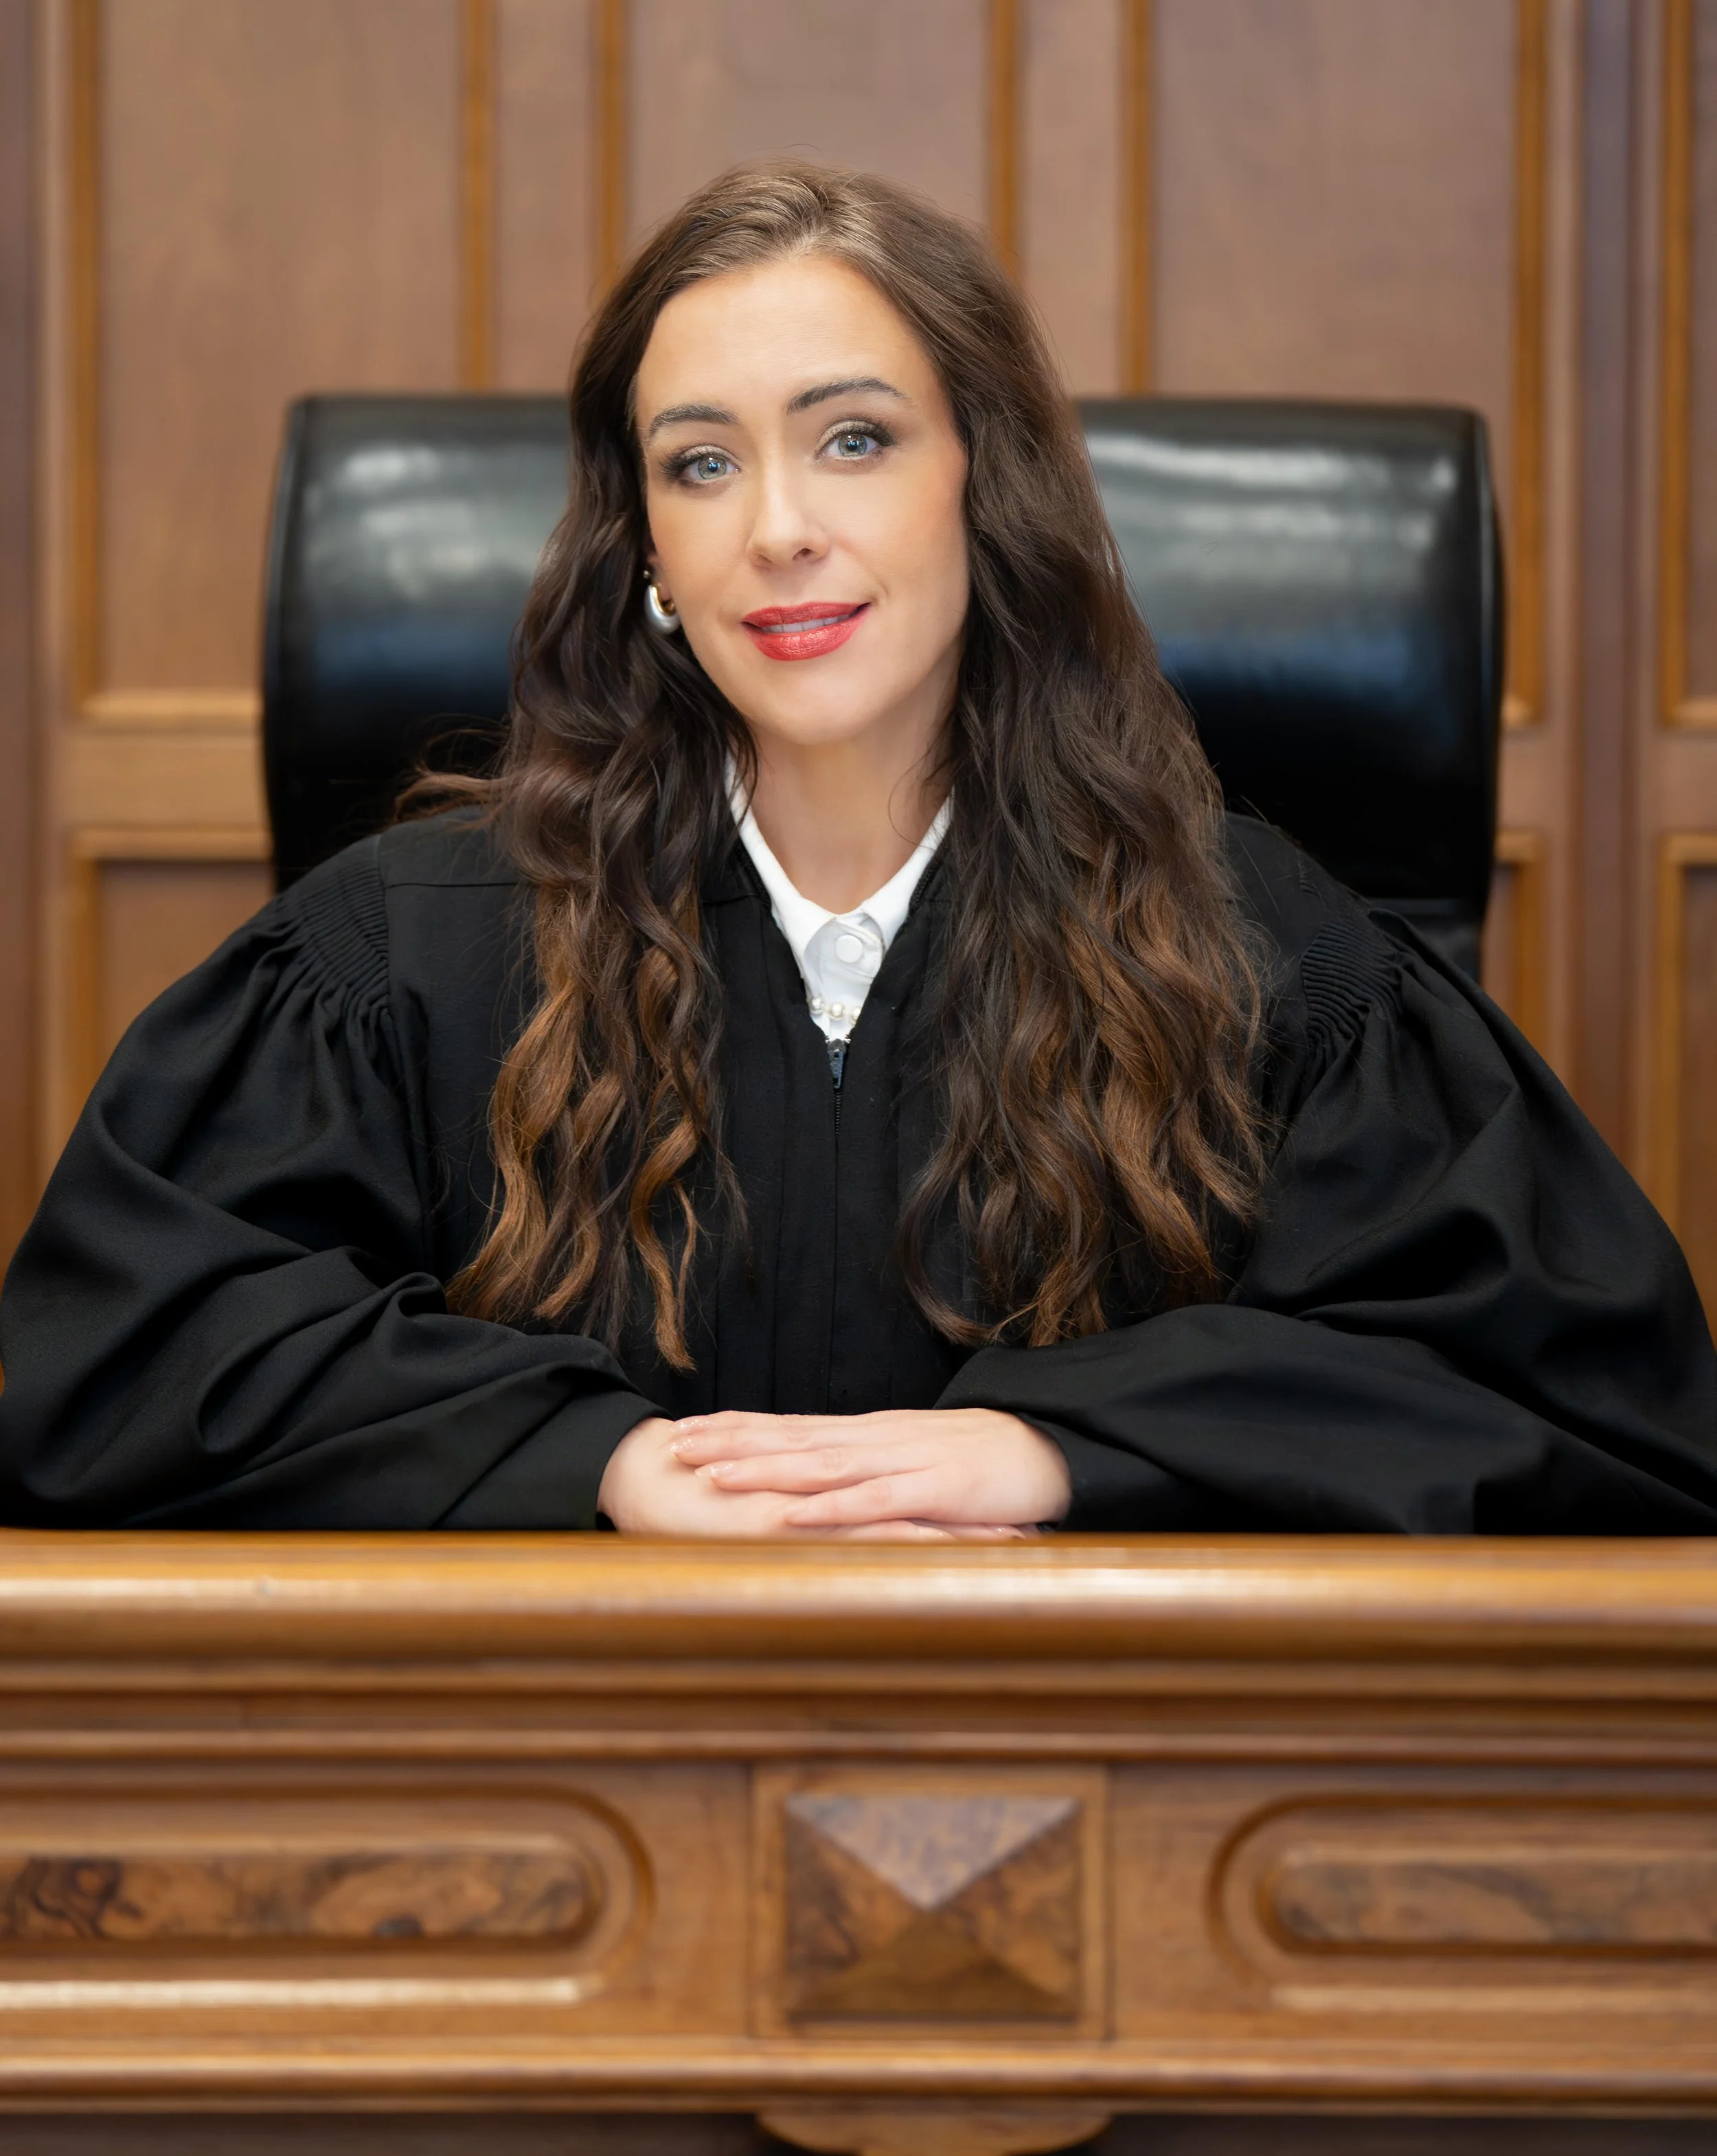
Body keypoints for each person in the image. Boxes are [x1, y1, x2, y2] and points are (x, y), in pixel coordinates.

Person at [3, 162, 1714, 1536]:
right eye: (697, 464)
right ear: (647, 554)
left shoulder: (1262, 962)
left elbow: (1582, 1405)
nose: (778, 530)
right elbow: (107, 1365)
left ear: (983, 485)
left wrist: (1058, 1453)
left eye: (853, 438)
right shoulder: (409, 958)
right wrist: (582, 1463)